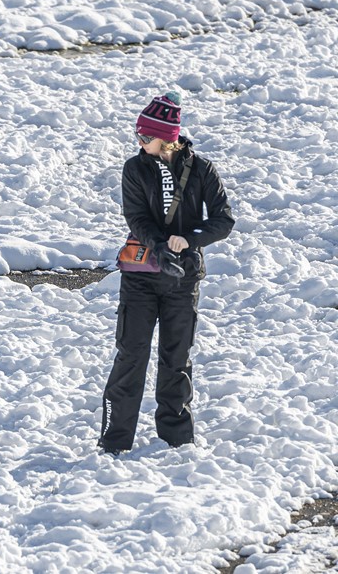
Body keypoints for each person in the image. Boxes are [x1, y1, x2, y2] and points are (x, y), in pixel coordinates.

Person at [98, 91, 235, 455]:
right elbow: (136, 217)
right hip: (140, 277)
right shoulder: (135, 167)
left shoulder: (202, 170)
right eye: (139, 137)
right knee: (131, 355)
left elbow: (224, 221)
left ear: (169, 138)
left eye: (147, 137)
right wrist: (160, 246)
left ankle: (177, 442)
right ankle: (114, 442)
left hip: (184, 278)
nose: (140, 143)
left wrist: (188, 240)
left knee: (177, 358)